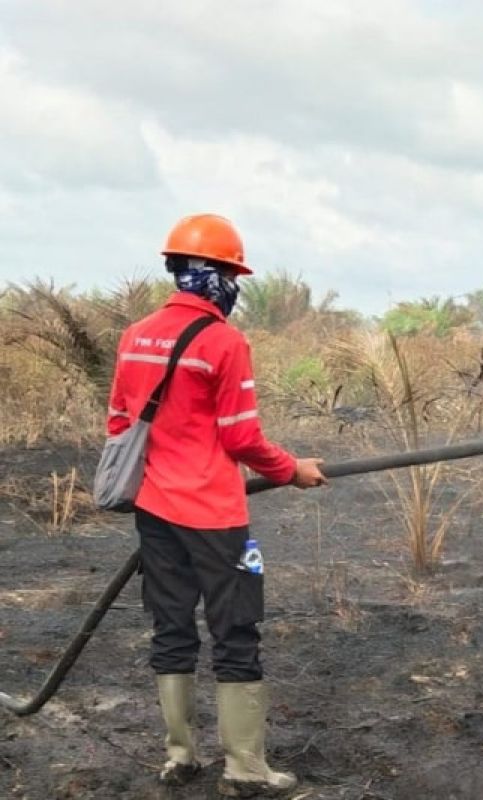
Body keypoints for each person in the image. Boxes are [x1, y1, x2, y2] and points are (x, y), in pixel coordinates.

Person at [105, 214, 326, 796]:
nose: (234, 286)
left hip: (154, 510)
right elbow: (242, 440)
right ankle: (245, 769)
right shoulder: (225, 342)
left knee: (171, 628)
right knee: (237, 632)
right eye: (232, 273)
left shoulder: (136, 335)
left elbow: (120, 421)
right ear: (217, 277)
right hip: (216, 518)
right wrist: (292, 470)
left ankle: (180, 756)